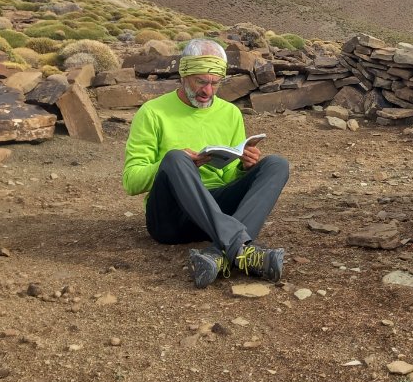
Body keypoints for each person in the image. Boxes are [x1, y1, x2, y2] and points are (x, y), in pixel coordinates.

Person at [123, 38, 290, 288]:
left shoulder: (230, 113)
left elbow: (229, 178)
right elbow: (131, 181)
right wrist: (175, 165)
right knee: (175, 158)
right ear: (183, 75)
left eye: (215, 83)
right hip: (170, 220)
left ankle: (217, 255)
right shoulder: (152, 112)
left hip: (214, 217)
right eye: (201, 81)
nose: (208, 91)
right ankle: (243, 249)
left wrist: (245, 167)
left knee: (276, 164)